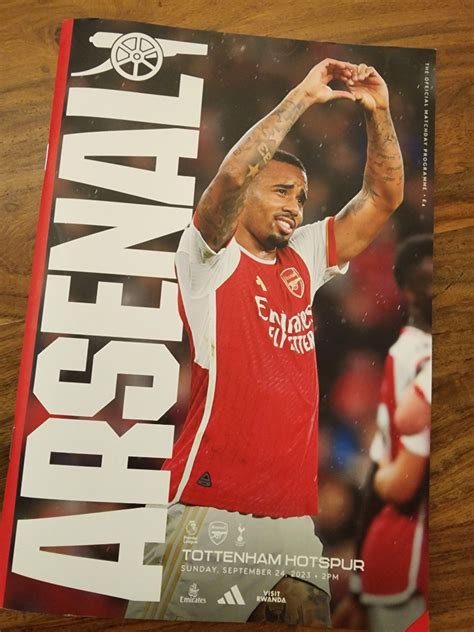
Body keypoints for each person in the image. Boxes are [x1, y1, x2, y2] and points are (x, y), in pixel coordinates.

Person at [126, 57, 404, 625]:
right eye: (280, 190)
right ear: (249, 191)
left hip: (292, 518)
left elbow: (382, 197)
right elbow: (229, 178)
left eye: (300, 197)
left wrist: (379, 113)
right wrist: (302, 97)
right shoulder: (208, 257)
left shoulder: (303, 256)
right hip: (212, 507)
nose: (294, 206)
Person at [333, 234, 433, 632]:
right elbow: (396, 482)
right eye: (428, 281)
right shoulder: (417, 357)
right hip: (408, 559)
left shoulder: (405, 352)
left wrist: (358, 588)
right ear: (409, 292)